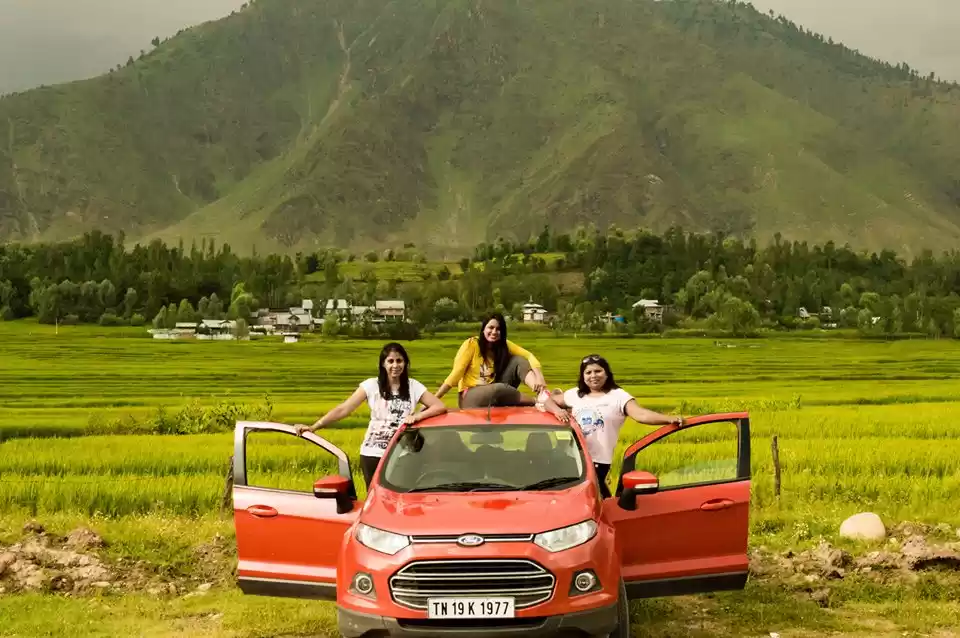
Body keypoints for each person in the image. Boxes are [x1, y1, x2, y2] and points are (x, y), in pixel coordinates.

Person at [295, 342, 447, 488]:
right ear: (383, 364)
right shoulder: (370, 385)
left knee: (400, 498)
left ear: (406, 363)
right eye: (390, 361)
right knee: (375, 499)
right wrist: (314, 427)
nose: (395, 365)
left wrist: (417, 417)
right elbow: (344, 409)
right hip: (372, 452)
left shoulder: (413, 386)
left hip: (402, 453)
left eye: (399, 360)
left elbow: (439, 406)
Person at [551, 354, 683, 498]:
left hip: (599, 460)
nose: (593, 376)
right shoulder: (575, 394)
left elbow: (640, 414)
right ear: (583, 376)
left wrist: (668, 419)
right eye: (588, 372)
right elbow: (548, 401)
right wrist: (557, 410)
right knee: (588, 496)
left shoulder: (618, 396)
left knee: (592, 495)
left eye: (598, 371)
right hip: (572, 456)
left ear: (607, 373)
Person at [435, 312, 567, 421]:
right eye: (490, 328)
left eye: (498, 329)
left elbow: (529, 356)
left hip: (496, 393)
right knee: (498, 388)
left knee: (518, 360)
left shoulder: (504, 345)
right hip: (470, 397)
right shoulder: (471, 345)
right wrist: (435, 400)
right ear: (483, 329)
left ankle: (542, 394)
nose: (494, 332)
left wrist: (539, 377)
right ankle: (539, 401)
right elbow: (455, 375)